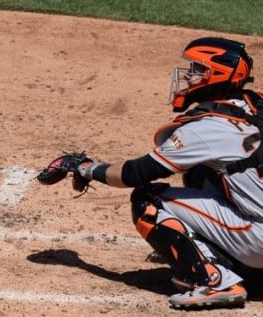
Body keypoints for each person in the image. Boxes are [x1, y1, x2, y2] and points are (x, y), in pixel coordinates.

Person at [67, 36, 263, 310]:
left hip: (259, 239)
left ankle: (217, 282)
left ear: (216, 74)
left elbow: (136, 173)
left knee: (149, 200)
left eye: (197, 69)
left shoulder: (207, 129)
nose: (189, 76)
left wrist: (88, 169)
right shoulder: (256, 104)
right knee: (201, 174)